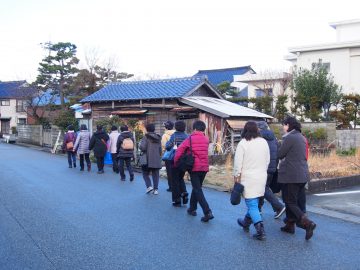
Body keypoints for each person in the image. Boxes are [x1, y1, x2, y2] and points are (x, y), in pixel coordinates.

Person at [278, 117, 316, 240]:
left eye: (284, 125)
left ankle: (308, 223)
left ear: (289, 125)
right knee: (295, 201)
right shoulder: (302, 137)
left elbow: (280, 154)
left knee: (290, 201)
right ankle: (289, 225)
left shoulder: (290, 138)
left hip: (291, 175)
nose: (283, 127)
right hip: (302, 174)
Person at [234, 121, 270, 240]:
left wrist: (236, 177)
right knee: (255, 202)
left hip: (248, 178)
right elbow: (267, 160)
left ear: (245, 130)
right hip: (261, 176)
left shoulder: (243, 143)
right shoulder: (263, 142)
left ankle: (261, 231)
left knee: (252, 204)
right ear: (257, 130)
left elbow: (238, 164)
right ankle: (245, 222)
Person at [174, 120, 213, 222]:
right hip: (204, 167)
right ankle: (192, 208)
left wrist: (176, 162)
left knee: (197, 189)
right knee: (197, 188)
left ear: (194, 128)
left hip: (194, 167)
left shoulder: (190, 139)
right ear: (203, 129)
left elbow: (179, 151)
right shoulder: (206, 139)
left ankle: (207, 211)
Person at [256, 121, 286, 219]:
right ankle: (259, 209)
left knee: (263, 189)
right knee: (263, 188)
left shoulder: (259, 138)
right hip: (272, 168)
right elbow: (279, 152)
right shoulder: (274, 138)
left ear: (259, 128)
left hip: (263, 167)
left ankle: (279, 207)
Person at [165, 120, 189, 207]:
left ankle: (177, 200)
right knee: (180, 177)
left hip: (175, 160)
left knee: (174, 180)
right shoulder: (187, 136)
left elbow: (168, 147)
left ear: (176, 127)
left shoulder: (174, 136)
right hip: (185, 161)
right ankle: (184, 192)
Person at [139, 123, 162, 194]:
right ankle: (156, 190)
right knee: (156, 174)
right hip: (156, 158)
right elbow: (160, 149)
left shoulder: (146, 137)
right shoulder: (158, 138)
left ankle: (149, 186)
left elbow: (143, 147)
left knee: (145, 173)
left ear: (146, 129)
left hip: (147, 159)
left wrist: (140, 145)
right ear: (154, 129)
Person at [161, 120, 175, 192]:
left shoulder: (165, 135)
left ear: (166, 127)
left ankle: (171, 187)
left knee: (169, 172)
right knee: (176, 171)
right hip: (176, 155)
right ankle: (177, 185)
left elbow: (164, 146)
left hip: (169, 156)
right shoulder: (176, 134)